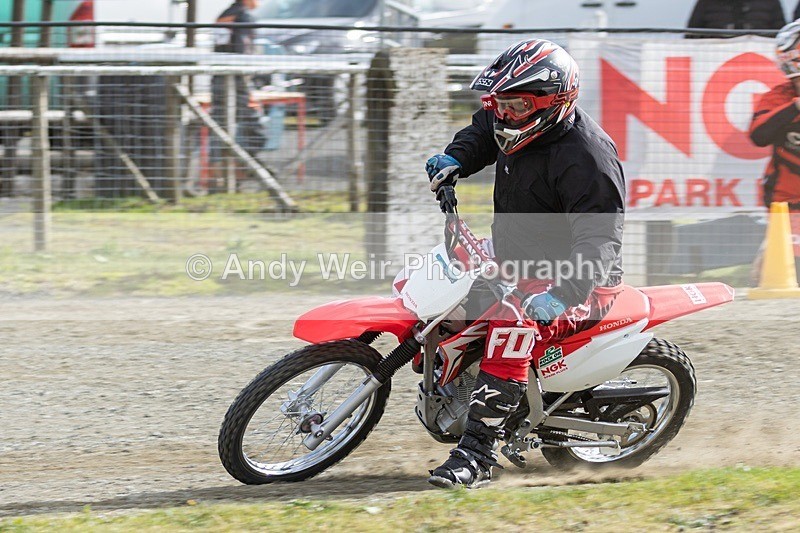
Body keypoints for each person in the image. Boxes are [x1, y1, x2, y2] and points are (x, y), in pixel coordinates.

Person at [424, 39, 626, 489]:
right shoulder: (511, 122)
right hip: (518, 258)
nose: (504, 115)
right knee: (444, 287)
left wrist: (563, 295)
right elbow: (481, 131)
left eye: (515, 105)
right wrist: (455, 157)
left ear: (555, 102)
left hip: (577, 280)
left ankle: (477, 453)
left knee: (511, 328)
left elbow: (600, 240)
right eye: (499, 103)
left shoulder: (587, 157)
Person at [749, 19, 800, 281]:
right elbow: (758, 135)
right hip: (787, 202)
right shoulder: (778, 97)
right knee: (784, 273)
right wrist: (795, 107)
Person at [210, 0, 265, 192]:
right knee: (254, 129)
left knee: (219, 128)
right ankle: (237, 177)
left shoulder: (225, 14)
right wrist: (248, 81)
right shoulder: (243, 16)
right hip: (236, 80)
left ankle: (220, 179)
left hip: (219, 77)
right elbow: (243, 50)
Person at [687, 0, 785, 36]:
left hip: (762, 67)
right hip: (714, 66)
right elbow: (691, 37)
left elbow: (782, 36)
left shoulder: (770, 2)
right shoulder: (706, 3)